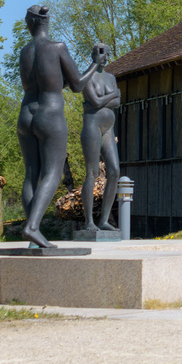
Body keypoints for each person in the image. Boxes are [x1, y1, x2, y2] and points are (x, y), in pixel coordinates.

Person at [16, 4, 97, 248]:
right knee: (52, 173)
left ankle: (33, 232)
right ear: (46, 23)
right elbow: (78, 85)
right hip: (50, 115)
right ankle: (32, 227)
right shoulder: (57, 48)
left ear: (29, 24)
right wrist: (94, 63)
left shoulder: (24, 52)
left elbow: (46, 83)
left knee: (31, 173)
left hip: (26, 113)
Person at [80, 43, 121, 232]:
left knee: (114, 171)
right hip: (92, 126)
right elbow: (96, 101)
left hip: (108, 127)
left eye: (107, 53)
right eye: (100, 53)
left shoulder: (111, 77)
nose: (104, 57)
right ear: (93, 54)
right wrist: (112, 95)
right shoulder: (87, 76)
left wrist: (104, 100)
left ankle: (104, 220)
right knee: (92, 172)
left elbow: (117, 102)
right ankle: (89, 221)